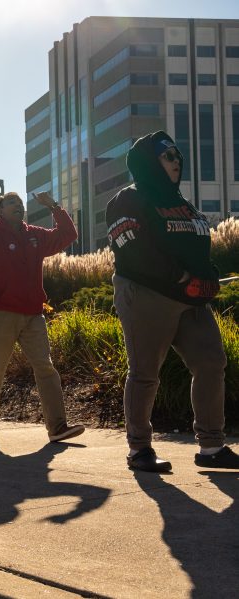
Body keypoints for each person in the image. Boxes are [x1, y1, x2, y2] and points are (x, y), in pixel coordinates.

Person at [106, 131, 239, 472]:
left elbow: (197, 247)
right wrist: (180, 277)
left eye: (177, 156)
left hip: (190, 299)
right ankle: (139, 450)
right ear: (150, 163)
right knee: (145, 373)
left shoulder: (183, 203)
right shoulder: (127, 199)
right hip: (146, 294)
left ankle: (211, 447)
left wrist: (207, 275)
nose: (176, 161)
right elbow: (131, 246)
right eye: (168, 157)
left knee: (211, 362)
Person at [0, 191, 85, 443]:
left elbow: (68, 235)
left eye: (20, 203)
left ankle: (58, 427)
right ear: (0, 211)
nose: (18, 206)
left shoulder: (35, 235)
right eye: (11, 203)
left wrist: (54, 206)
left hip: (33, 314)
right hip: (2, 313)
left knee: (46, 368)